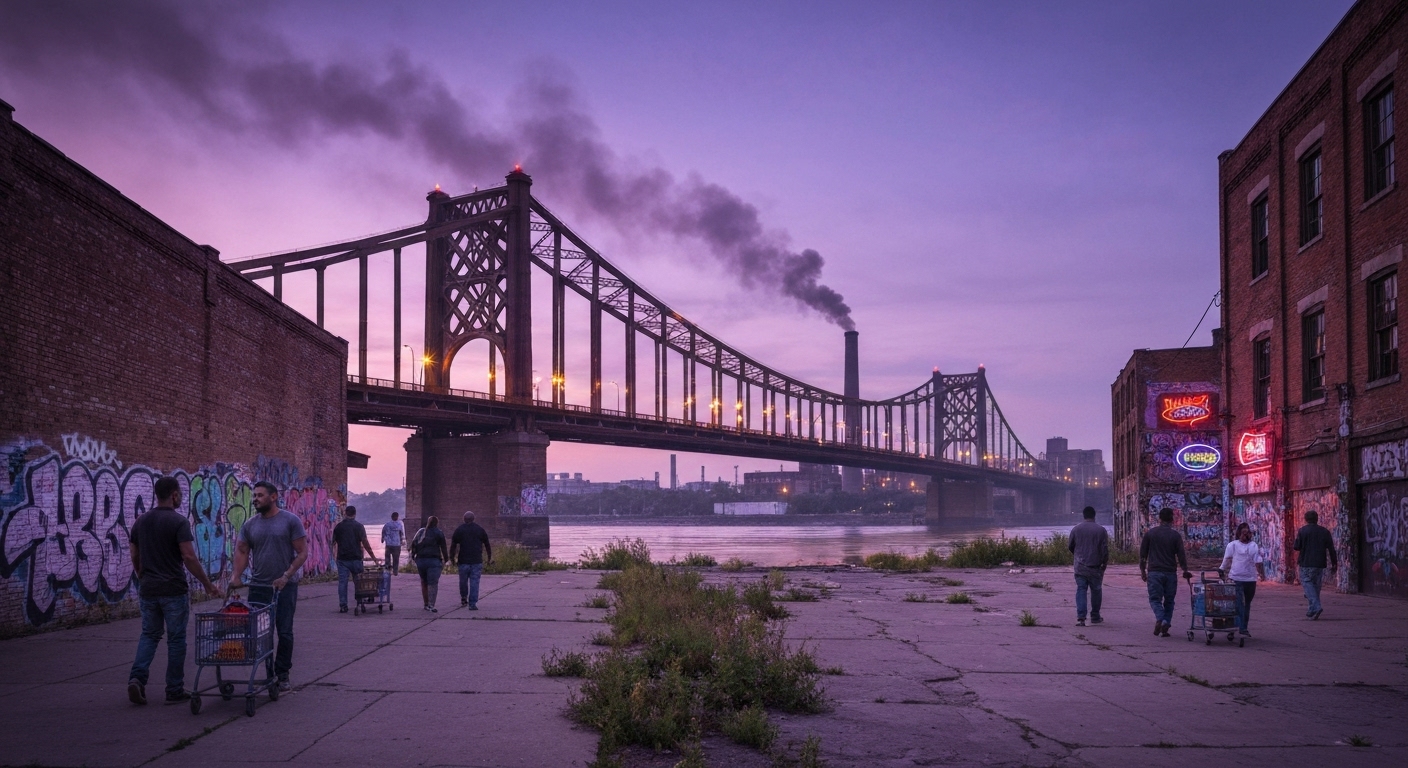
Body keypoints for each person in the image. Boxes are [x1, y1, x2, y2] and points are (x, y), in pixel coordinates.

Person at [127, 476, 222, 705]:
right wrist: (208, 584)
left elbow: (134, 553)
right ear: (175, 495)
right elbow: (188, 556)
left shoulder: (141, 521)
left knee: (149, 634)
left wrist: (141, 573)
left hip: (148, 589)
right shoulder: (178, 522)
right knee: (176, 639)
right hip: (173, 589)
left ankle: (137, 680)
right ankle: (174, 689)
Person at [229, 481, 308, 690]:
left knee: (284, 631)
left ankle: (282, 674)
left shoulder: (290, 521)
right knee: (261, 633)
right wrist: (236, 576)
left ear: (273, 497)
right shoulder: (250, 525)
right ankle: (267, 673)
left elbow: (302, 552)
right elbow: (242, 550)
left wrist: (286, 576)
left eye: (260, 495)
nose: (255, 499)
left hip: (285, 587)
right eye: (254, 496)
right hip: (259, 587)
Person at [1139, 507, 1193, 637]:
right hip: (1170, 573)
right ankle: (1165, 622)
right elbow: (1181, 556)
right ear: (1172, 519)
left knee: (1155, 599)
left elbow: (1143, 555)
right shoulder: (1175, 535)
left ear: (1159, 519)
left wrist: (1143, 571)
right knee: (1169, 601)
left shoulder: (1150, 534)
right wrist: (1185, 570)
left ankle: (1161, 618)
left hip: (1154, 573)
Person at [1219, 522, 1265, 636]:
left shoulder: (1235, 545)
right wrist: (1261, 574)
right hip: (1244, 579)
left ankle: (1235, 628)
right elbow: (1258, 562)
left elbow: (1226, 560)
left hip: (1240, 579)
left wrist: (1221, 569)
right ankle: (1242, 628)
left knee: (1239, 604)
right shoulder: (1250, 545)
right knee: (1244, 604)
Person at [1293, 509, 1338, 620]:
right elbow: (1331, 549)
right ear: (1317, 519)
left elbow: (1296, 546)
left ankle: (1316, 607)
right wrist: (1334, 563)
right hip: (1320, 563)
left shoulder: (1303, 531)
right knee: (1315, 587)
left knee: (1307, 584)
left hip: (1306, 562)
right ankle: (1311, 609)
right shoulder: (1325, 532)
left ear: (1306, 519)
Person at [1068, 506, 1108, 627]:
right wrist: (1104, 563)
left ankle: (1081, 617)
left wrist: (1078, 555)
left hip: (1080, 566)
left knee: (1081, 589)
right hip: (1095, 566)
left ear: (1083, 515)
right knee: (1096, 591)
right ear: (1094, 515)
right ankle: (1095, 616)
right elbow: (1104, 550)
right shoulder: (1101, 530)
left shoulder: (1076, 529)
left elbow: (1070, 546)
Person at [332, 505, 377, 613]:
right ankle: (360, 603)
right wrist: (373, 558)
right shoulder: (359, 526)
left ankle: (343, 605)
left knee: (343, 583)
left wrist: (334, 557)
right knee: (359, 582)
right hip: (356, 558)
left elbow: (333, 543)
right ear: (355, 514)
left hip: (342, 559)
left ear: (345, 513)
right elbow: (365, 543)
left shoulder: (338, 527)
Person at [449, 511, 493, 610]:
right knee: (475, 582)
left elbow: (453, 545)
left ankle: (464, 597)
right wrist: (489, 558)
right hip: (476, 560)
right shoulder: (480, 530)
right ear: (473, 519)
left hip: (463, 560)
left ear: (464, 519)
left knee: (463, 581)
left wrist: (452, 558)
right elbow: (487, 544)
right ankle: (472, 604)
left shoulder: (459, 530)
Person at [410, 515, 449, 612]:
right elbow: (443, 548)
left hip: (421, 560)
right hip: (434, 560)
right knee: (433, 583)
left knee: (424, 581)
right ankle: (431, 605)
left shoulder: (421, 531)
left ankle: (426, 604)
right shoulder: (439, 533)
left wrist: (413, 556)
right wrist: (446, 559)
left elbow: (413, 544)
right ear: (437, 523)